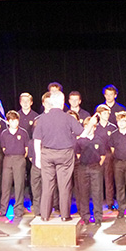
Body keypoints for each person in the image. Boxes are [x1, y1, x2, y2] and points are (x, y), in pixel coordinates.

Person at [33, 90, 84, 221]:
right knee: (64, 186)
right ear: (62, 103)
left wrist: (38, 158)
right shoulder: (68, 117)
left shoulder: (42, 118)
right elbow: (80, 133)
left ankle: (44, 216)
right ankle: (65, 215)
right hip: (65, 155)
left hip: (47, 154)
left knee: (47, 186)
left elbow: (37, 139)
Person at [76, 115, 106, 225]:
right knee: (84, 193)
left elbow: (103, 155)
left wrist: (96, 165)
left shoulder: (99, 140)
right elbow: (78, 154)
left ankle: (98, 217)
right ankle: (85, 216)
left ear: (95, 127)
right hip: (83, 168)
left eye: (92, 126)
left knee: (97, 192)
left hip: (95, 168)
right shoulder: (81, 141)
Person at [0, 111, 29, 221]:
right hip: (8, 159)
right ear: (7, 121)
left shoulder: (23, 133)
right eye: (11, 120)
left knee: (19, 185)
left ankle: (19, 210)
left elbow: (26, 149)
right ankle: (3, 210)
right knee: (5, 185)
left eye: (15, 120)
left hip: (19, 159)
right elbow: (3, 148)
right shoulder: (4, 134)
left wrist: (20, 158)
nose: (14, 122)